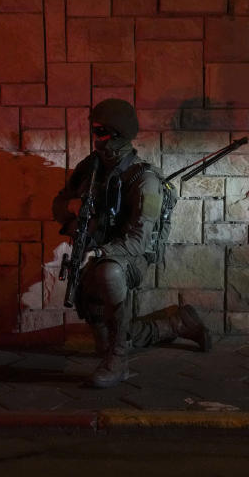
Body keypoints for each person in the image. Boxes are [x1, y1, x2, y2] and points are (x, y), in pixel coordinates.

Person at [52, 98, 210, 389]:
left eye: (100, 132)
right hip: (95, 253)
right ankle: (176, 324)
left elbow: (137, 242)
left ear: (118, 135)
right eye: (94, 131)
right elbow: (59, 204)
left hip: (131, 258)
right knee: (106, 337)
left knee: (108, 273)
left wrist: (98, 252)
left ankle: (120, 361)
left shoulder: (144, 179)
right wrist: (74, 216)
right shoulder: (91, 168)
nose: (94, 138)